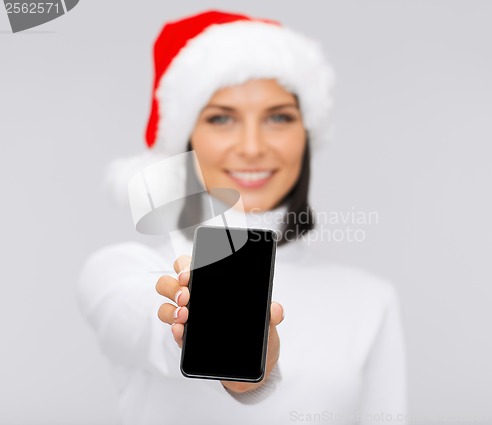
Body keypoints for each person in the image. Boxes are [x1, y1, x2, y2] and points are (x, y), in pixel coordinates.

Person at [77, 10, 407, 425]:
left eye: (278, 117)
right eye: (221, 118)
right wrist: (241, 367)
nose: (252, 147)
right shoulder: (124, 270)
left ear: (305, 134)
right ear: (184, 138)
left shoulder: (370, 299)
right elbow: (147, 325)